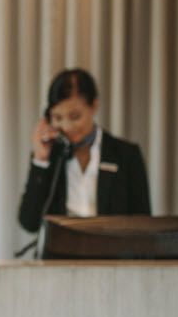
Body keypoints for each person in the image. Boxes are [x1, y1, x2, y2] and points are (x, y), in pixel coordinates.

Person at [17, 68, 151, 234]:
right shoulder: (50, 155)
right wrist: (40, 161)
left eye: (75, 117)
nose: (67, 127)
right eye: (58, 118)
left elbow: (143, 225)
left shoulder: (126, 155)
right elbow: (29, 223)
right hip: (59, 256)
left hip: (111, 255)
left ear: (94, 105)